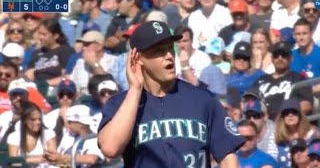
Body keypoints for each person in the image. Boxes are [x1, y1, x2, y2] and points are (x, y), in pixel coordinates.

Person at [97, 21, 245, 167]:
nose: (168, 55)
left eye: (170, 48)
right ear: (138, 58)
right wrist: (135, 89)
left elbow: (228, 158)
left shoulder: (202, 99)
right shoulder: (121, 104)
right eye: (159, 51)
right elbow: (110, 148)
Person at [7, 101, 56, 167]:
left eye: (39, 119)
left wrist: (24, 159)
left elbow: (52, 159)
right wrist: (32, 160)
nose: (38, 122)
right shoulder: (14, 137)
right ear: (25, 120)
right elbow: (13, 162)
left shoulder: (49, 134)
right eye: (33, 120)